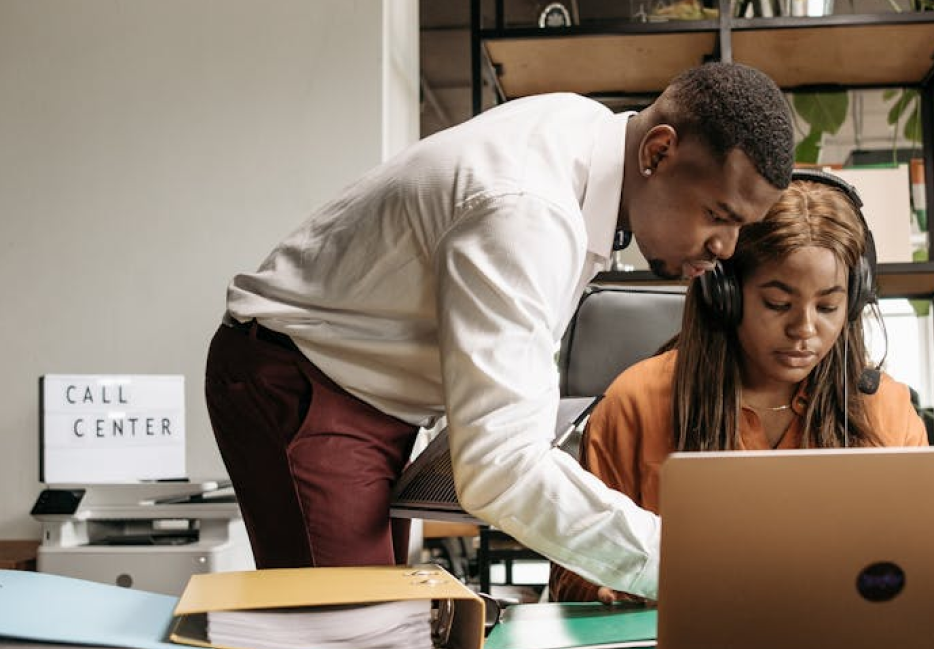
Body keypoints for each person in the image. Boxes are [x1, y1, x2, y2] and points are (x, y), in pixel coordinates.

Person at [204, 61, 795, 601]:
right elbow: (500, 469)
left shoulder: (590, 136)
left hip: (371, 390)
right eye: (718, 216)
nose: (724, 249)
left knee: (393, 621)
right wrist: (693, 565)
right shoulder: (528, 212)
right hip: (302, 381)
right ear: (658, 153)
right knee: (355, 637)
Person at [549, 173, 929, 603]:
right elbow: (570, 579)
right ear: (724, 294)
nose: (804, 329)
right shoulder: (635, 404)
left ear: (854, 301)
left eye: (827, 306)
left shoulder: (886, 411)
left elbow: (923, 567)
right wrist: (618, 588)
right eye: (778, 304)